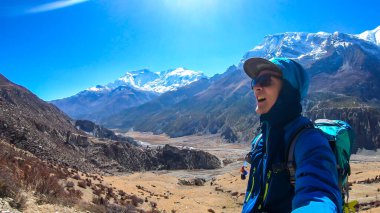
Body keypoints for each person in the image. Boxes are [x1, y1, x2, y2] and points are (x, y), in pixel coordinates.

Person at [241, 57, 342, 213]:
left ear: (288, 90)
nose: (257, 87)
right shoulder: (261, 139)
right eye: (255, 82)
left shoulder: (310, 140)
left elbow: (318, 196)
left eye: (265, 80)